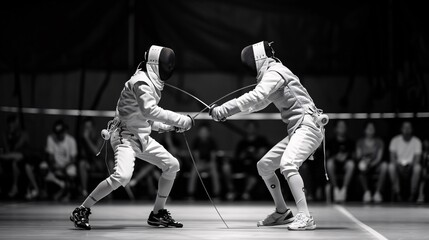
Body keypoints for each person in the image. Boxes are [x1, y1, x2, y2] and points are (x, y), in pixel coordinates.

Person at [70, 45, 193, 230]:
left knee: (172, 165)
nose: (168, 69)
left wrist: (170, 127)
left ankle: (157, 213)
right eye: (166, 65)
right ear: (155, 64)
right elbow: (149, 111)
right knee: (123, 176)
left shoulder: (150, 83)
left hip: (141, 137)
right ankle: (82, 209)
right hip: (124, 137)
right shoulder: (141, 82)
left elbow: (145, 119)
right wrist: (181, 120)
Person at [210, 41, 325, 230]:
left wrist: (224, 109)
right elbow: (258, 104)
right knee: (264, 166)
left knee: (288, 164)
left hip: (308, 125)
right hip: (298, 128)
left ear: (257, 59)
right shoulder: (271, 74)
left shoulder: (274, 72)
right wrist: (227, 113)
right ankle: (282, 212)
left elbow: (256, 96)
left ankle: (306, 216)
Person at [0, 115, 39, 199]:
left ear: (16, 123)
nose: (11, 126)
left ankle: (33, 188)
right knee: (14, 162)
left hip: (26, 158)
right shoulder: (5, 134)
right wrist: (8, 137)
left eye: (13, 124)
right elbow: (7, 150)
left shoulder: (23, 134)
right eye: (9, 124)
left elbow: (17, 149)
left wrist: (11, 137)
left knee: (18, 160)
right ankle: (14, 187)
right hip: (11, 159)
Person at [232, 120, 269, 200]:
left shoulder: (261, 141)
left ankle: (246, 192)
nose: (250, 129)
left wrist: (254, 152)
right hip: (243, 164)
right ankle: (233, 191)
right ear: (246, 129)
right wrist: (245, 153)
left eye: (252, 127)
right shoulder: (242, 142)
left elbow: (263, 154)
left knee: (255, 169)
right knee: (233, 168)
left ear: (256, 129)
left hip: (256, 164)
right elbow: (238, 157)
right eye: (249, 127)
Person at [44, 119, 78, 201]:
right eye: (57, 133)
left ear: (65, 131)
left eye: (61, 132)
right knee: (43, 167)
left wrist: (64, 167)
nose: (59, 135)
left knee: (71, 171)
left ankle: (67, 193)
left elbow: (73, 159)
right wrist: (54, 165)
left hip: (67, 165)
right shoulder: (50, 138)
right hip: (55, 166)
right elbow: (50, 156)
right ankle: (45, 191)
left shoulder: (71, 140)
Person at [388, 121, 422, 202]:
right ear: (401, 129)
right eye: (405, 127)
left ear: (412, 129)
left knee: (418, 168)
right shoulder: (395, 140)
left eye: (409, 127)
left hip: (411, 167)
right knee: (391, 166)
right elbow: (392, 157)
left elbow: (417, 159)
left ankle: (413, 194)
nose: (407, 130)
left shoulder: (416, 141)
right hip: (398, 166)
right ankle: (397, 193)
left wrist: (411, 165)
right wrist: (398, 165)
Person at [187, 122, 220, 200]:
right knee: (194, 168)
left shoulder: (212, 142)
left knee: (214, 168)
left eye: (205, 132)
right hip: (199, 163)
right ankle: (190, 193)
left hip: (209, 164)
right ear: (199, 133)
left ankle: (216, 194)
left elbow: (213, 156)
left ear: (208, 133)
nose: (203, 134)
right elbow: (196, 156)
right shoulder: (196, 142)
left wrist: (211, 163)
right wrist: (199, 163)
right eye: (201, 132)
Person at [356, 122, 387, 203]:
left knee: (384, 166)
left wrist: (372, 164)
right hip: (364, 164)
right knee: (361, 166)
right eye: (369, 128)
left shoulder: (379, 142)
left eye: (372, 128)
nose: (371, 130)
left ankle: (377, 192)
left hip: (376, 164)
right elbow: (358, 156)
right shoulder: (360, 142)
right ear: (365, 130)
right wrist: (365, 161)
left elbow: (379, 158)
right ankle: (367, 192)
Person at [326, 120, 355, 203]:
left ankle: (343, 190)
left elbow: (354, 156)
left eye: (343, 126)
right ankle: (336, 189)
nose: (342, 128)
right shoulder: (331, 142)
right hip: (335, 164)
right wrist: (336, 157)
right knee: (329, 163)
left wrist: (345, 157)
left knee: (351, 164)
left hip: (346, 164)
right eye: (340, 126)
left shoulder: (350, 142)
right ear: (335, 129)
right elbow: (328, 155)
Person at [78, 117, 106, 197]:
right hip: (89, 163)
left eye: (89, 127)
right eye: (86, 127)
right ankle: (84, 191)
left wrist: (87, 139)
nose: (87, 130)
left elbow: (96, 152)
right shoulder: (82, 139)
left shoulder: (100, 137)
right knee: (82, 164)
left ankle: (107, 194)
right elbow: (82, 155)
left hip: (100, 163)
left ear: (93, 128)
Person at [417, 138, 429, 203]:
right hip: (426, 171)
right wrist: (424, 171)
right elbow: (424, 164)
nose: (426, 144)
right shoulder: (423, 153)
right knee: (422, 179)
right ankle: (420, 195)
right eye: (425, 142)